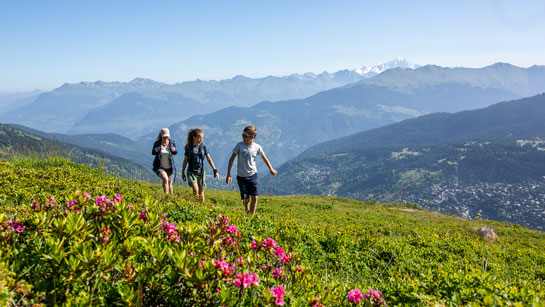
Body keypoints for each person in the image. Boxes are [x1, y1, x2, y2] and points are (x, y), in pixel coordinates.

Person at [226, 125, 277, 215]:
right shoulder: (239, 146)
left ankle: (251, 216)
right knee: (246, 199)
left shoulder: (257, 147)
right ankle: (247, 210)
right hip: (241, 177)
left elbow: (265, 158)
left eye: (246, 136)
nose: (244, 138)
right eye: (243, 135)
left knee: (255, 197)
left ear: (253, 137)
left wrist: (271, 169)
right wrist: (228, 174)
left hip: (253, 176)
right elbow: (231, 159)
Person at [181, 129, 219, 202]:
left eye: (202, 138)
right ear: (193, 137)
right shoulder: (189, 148)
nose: (200, 139)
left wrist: (215, 169)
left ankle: (202, 207)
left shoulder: (203, 147)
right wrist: (183, 172)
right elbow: (185, 160)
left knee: (201, 192)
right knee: (196, 189)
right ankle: (196, 205)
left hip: (201, 172)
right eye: (199, 138)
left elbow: (209, 159)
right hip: (191, 172)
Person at [152, 128, 177, 194]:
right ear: (161, 136)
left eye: (167, 137)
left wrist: (174, 150)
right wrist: (155, 150)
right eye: (164, 137)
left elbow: (175, 153)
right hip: (160, 166)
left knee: (170, 184)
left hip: (170, 167)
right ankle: (166, 196)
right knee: (165, 179)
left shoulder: (172, 143)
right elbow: (153, 152)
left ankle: (171, 198)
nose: (166, 139)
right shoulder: (157, 143)